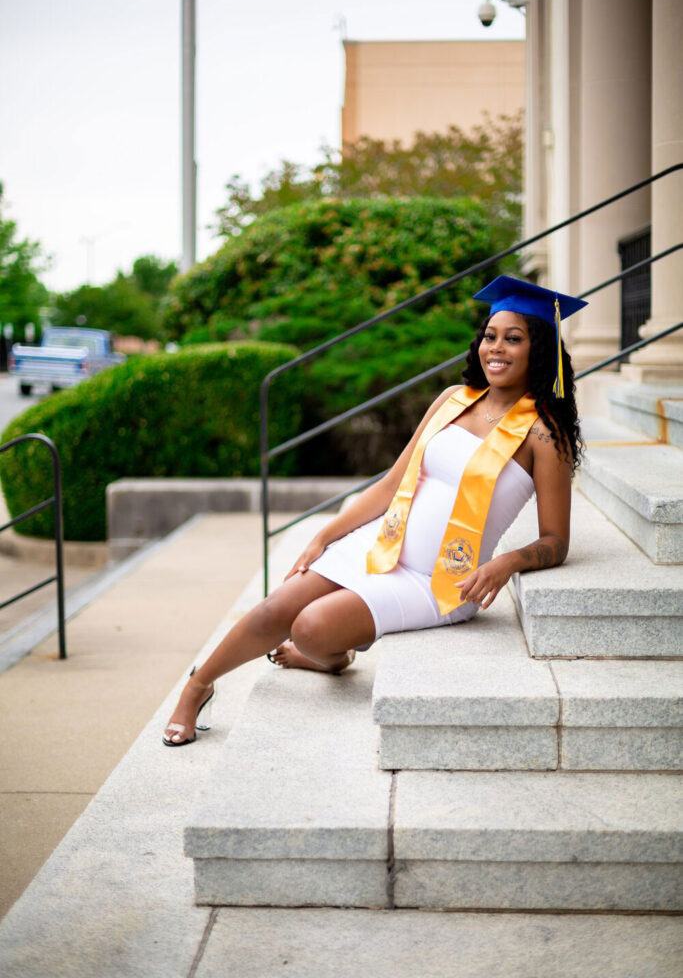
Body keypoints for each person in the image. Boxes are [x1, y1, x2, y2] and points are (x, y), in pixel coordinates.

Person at [163, 275, 586, 746]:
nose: (497, 348)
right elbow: (391, 485)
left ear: (539, 349)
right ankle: (197, 687)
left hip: (437, 583)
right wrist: (326, 534)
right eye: (490, 335)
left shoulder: (545, 435)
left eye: (514, 339)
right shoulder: (453, 400)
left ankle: (329, 655)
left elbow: (556, 540)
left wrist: (508, 561)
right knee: (273, 609)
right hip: (382, 543)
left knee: (309, 627)